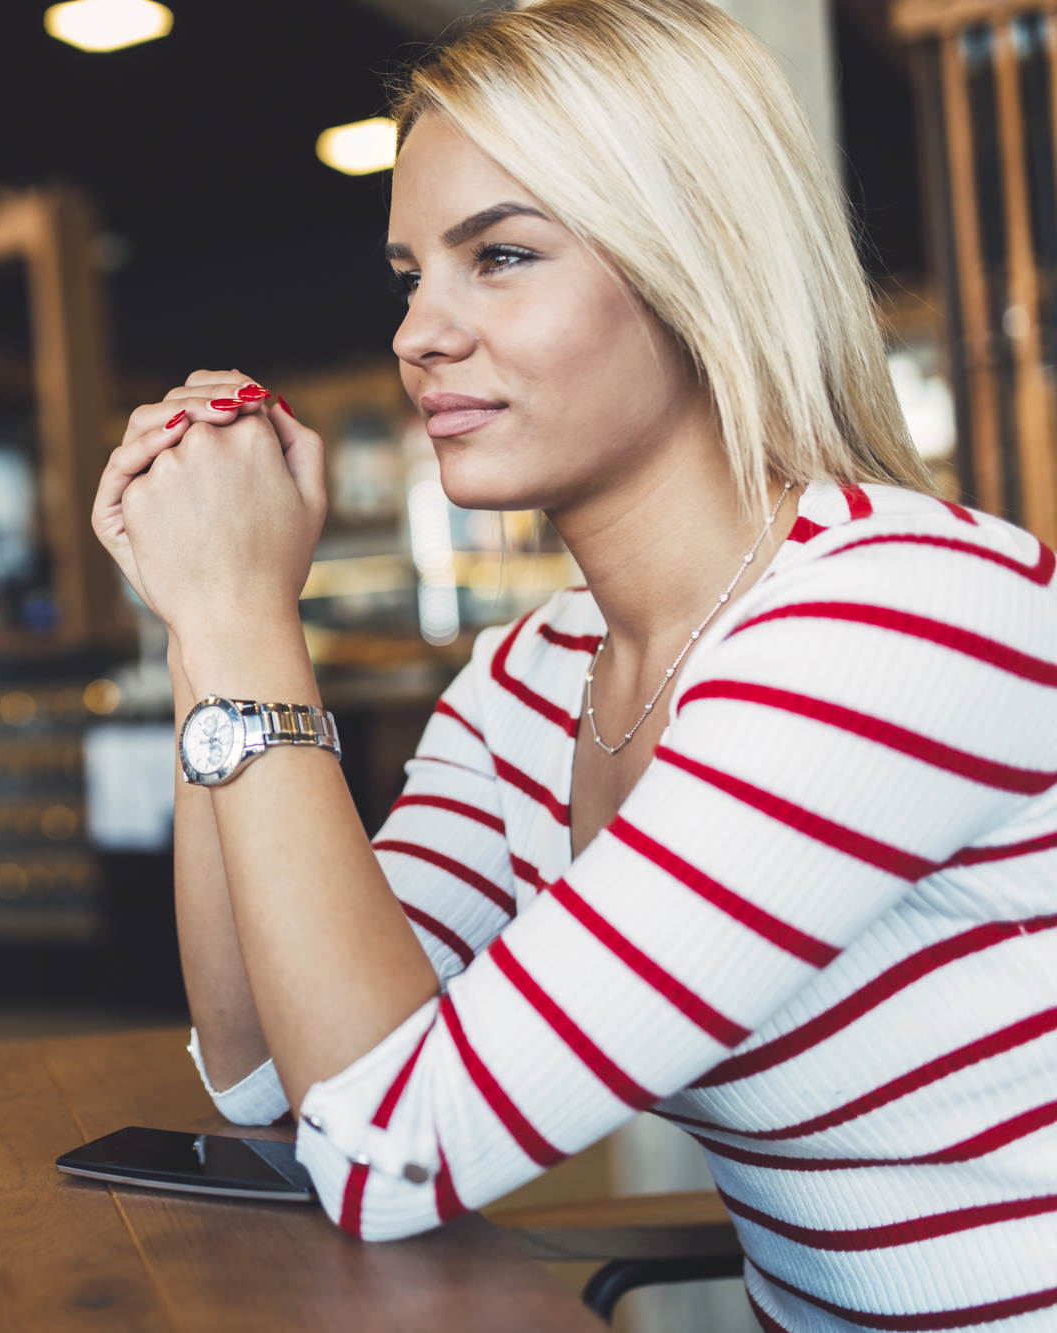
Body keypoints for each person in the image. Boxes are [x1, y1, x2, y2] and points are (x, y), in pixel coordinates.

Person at [93, 0, 1057, 1326]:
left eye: (498, 254)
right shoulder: (527, 682)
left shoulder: (898, 621)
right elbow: (267, 1070)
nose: (419, 331)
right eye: (409, 273)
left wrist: (254, 623)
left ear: (694, 260)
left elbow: (387, 1144)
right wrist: (208, 621)